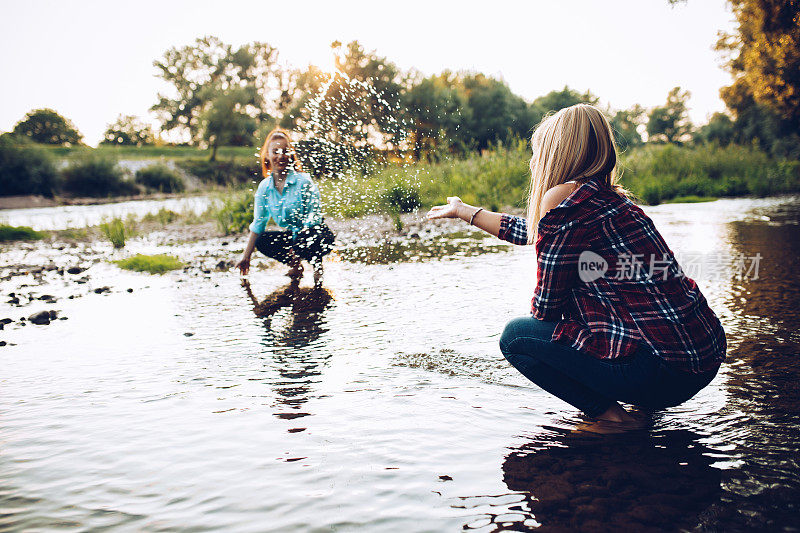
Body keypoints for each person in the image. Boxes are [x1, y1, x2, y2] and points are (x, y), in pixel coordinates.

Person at [426, 103, 726, 429]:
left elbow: (547, 308)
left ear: (558, 154)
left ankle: (615, 420)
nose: (533, 161)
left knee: (516, 337)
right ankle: (642, 407)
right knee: (602, 327)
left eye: (538, 151)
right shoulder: (610, 200)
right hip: (702, 357)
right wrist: (464, 211)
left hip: (664, 371)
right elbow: (535, 230)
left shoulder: (565, 200)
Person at [235, 128, 335, 286]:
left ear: (290, 154)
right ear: (267, 155)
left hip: (315, 234)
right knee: (262, 240)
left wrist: (296, 246)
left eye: (285, 151)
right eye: (275, 151)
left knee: (308, 237)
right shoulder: (264, 188)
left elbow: (313, 219)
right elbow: (258, 224)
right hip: (294, 237)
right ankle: (296, 266)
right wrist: (246, 257)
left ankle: (317, 269)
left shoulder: (304, 182)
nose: (280, 156)